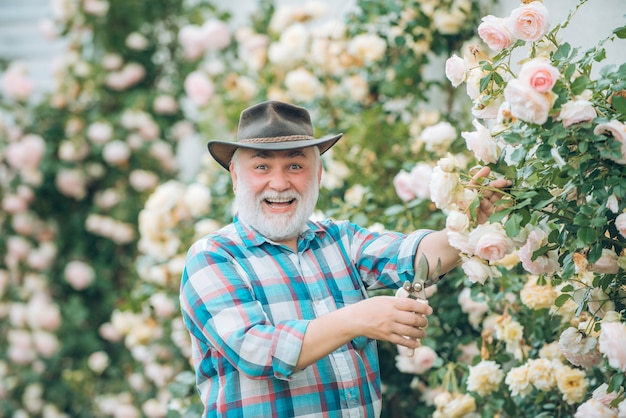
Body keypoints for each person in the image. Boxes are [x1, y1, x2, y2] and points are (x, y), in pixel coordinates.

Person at [179, 100, 509, 417]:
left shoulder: (337, 239)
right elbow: (256, 351)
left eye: (295, 166)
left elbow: (410, 254)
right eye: (261, 166)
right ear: (236, 177)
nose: (279, 183)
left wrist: (467, 222)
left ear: (318, 174)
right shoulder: (213, 256)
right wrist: (357, 319)